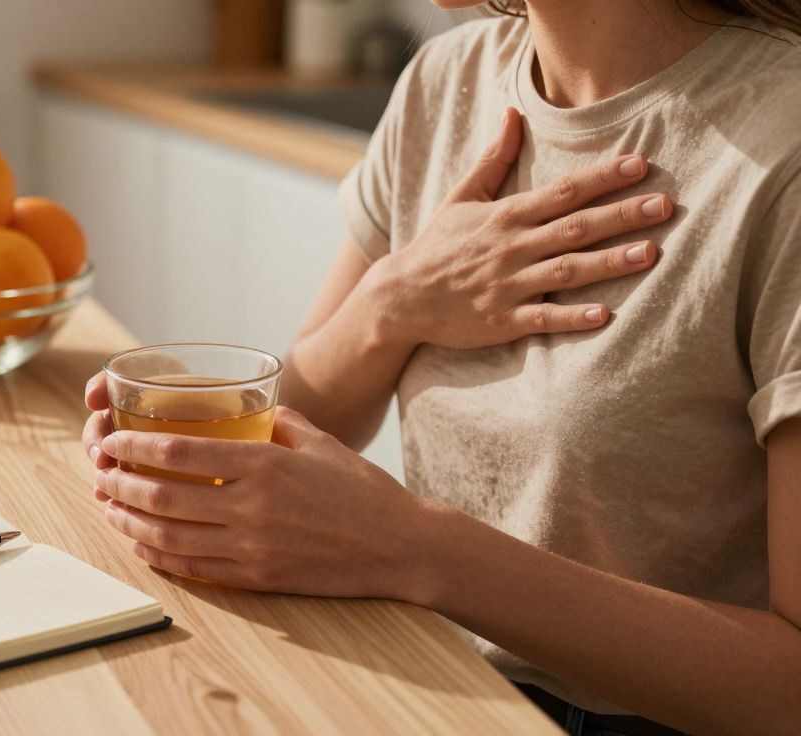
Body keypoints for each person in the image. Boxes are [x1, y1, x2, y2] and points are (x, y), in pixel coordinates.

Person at [81, 1, 801, 733]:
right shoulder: (447, 81)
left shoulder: (783, 149)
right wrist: (394, 301)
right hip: (421, 678)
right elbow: (305, 421)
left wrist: (411, 548)